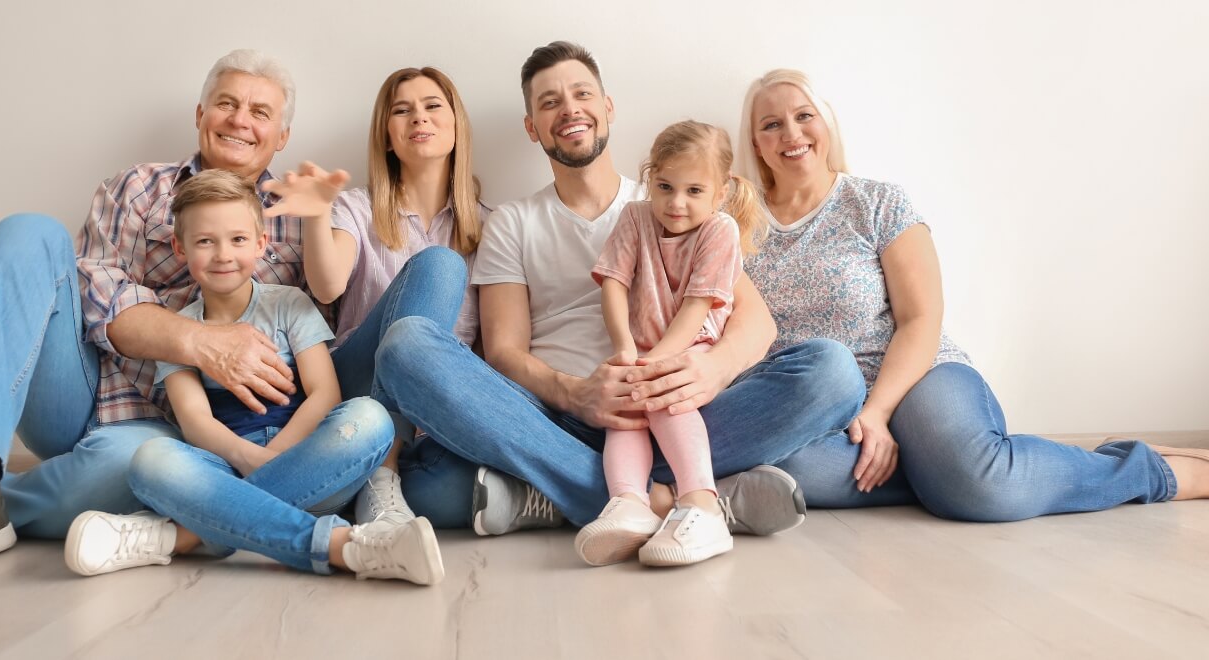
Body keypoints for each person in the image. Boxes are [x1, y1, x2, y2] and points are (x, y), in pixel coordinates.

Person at [0, 49, 326, 581]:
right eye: (226, 103)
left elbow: (321, 341)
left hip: (186, 436)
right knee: (27, 233)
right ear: (201, 115)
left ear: (282, 138)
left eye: (260, 112)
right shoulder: (135, 190)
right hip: (82, 390)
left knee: (145, 469)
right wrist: (198, 341)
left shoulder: (300, 220)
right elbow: (95, 295)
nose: (240, 119)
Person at [359, 42, 869, 546]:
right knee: (407, 349)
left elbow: (755, 323)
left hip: (677, 412)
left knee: (833, 372)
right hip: (552, 423)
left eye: (582, 93)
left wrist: (709, 373)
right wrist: (574, 394)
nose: (569, 109)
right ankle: (686, 497)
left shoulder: (675, 200)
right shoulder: (512, 223)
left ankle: (588, 496)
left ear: (608, 108)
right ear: (532, 127)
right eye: (549, 102)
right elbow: (503, 352)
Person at [735, 68, 1209, 519]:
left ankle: (1146, 468)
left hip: (915, 375)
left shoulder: (878, 202)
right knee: (791, 473)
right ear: (756, 142)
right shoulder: (733, 223)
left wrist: (877, 412)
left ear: (826, 123)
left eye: (804, 116)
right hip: (819, 404)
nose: (791, 134)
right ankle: (953, 469)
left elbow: (922, 318)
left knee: (986, 490)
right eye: (772, 124)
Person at [63, 170, 442, 585]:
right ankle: (346, 546)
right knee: (152, 459)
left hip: (311, 469)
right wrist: (251, 461)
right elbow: (195, 422)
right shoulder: (181, 330)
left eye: (238, 239)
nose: (223, 254)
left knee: (371, 418)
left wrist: (276, 458)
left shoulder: (289, 304)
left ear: (262, 244)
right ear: (180, 246)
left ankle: (181, 536)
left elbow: (324, 393)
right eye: (205, 241)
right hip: (225, 471)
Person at [272, 66, 488, 529]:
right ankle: (380, 472)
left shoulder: (491, 228)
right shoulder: (357, 207)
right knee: (439, 266)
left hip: (433, 416)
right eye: (402, 110)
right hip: (358, 385)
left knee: (456, 493)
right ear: (388, 136)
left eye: (433, 107)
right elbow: (327, 285)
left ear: (456, 126)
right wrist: (316, 214)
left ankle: (366, 484)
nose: (419, 118)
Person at [578, 119, 766, 566]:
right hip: (641, 348)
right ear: (650, 180)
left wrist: (657, 360)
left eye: (694, 191)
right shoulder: (635, 217)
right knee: (623, 410)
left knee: (665, 395)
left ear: (720, 193)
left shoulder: (719, 231)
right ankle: (629, 504)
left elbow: (697, 309)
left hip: (694, 346)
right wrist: (626, 347)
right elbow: (614, 284)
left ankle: (701, 503)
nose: (676, 203)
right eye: (664, 187)